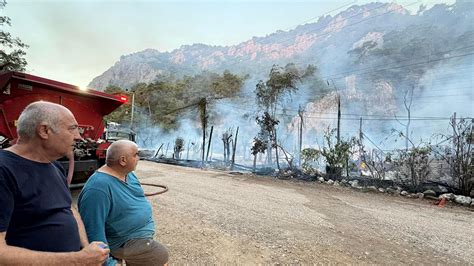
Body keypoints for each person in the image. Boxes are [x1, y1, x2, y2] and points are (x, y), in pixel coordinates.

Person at [0, 101, 110, 265]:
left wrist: (86, 250)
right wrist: (77, 260)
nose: (78, 136)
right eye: (72, 128)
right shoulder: (4, 170)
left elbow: (69, 209)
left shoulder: (55, 165)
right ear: (44, 131)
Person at [78, 140, 169, 266]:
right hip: (122, 241)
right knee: (160, 255)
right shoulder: (98, 188)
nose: (139, 157)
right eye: (135, 154)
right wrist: (109, 263)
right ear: (123, 161)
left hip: (136, 236)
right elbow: (92, 231)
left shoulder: (128, 174)